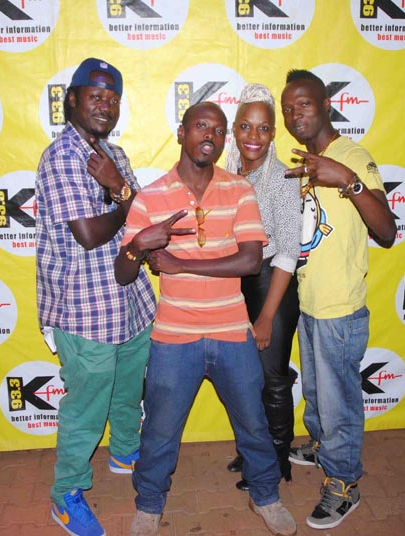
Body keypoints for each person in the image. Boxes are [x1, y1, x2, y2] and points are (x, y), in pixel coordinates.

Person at [115, 102, 297, 536]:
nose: (210, 136)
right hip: (174, 335)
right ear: (182, 133)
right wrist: (139, 244)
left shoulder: (239, 190)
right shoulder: (151, 196)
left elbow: (250, 261)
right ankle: (149, 505)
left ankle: (266, 496)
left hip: (231, 330)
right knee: (159, 431)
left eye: (218, 130)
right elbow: (123, 273)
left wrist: (180, 264)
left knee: (253, 423)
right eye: (200, 126)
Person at [35, 57, 156, 536]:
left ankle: (125, 453)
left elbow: (143, 214)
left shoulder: (114, 154)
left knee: (129, 391)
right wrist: (120, 194)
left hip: (129, 302)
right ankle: (65, 494)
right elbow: (89, 234)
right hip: (83, 311)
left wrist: (120, 189)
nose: (105, 105)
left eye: (113, 98)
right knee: (86, 408)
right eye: (96, 96)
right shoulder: (61, 157)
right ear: (72, 100)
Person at [280, 69, 396, 530]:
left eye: (304, 104)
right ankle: (322, 444)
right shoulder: (305, 161)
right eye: (288, 108)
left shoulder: (352, 157)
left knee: (338, 400)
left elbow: (387, 230)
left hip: (341, 308)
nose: (295, 114)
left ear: (326, 105)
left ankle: (345, 481)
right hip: (310, 301)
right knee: (315, 392)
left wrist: (347, 180)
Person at [222, 83, 302, 491]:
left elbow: (289, 250)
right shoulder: (225, 176)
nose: (254, 136)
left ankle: (276, 460)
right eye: (245, 126)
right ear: (234, 129)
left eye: (263, 128)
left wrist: (268, 315)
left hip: (273, 285)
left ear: (273, 133)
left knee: (272, 377)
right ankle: (255, 450)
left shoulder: (283, 178)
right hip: (237, 287)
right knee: (244, 379)